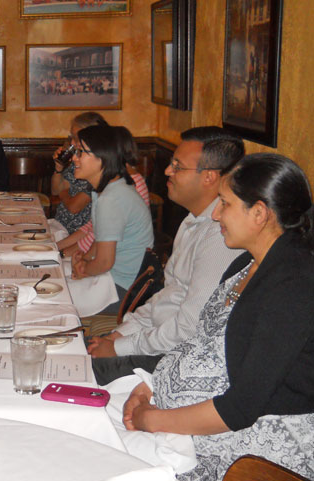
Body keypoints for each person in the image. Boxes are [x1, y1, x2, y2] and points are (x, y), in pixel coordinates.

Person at [122, 153, 314, 481]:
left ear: (259, 213)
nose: (215, 214)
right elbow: (202, 342)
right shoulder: (245, 263)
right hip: (183, 421)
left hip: (255, 455)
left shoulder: (295, 286)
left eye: (224, 203)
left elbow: (240, 409)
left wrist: (152, 419)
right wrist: (150, 385)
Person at [88, 127, 245, 383]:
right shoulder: (193, 220)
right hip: (155, 339)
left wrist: (119, 347)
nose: (167, 171)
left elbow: (190, 328)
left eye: (177, 166)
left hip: (176, 357)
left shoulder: (220, 236)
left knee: (73, 371)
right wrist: (120, 334)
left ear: (209, 177)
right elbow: (166, 296)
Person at [70, 125, 154, 313]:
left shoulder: (111, 199)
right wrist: (84, 259)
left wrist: (83, 269)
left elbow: (104, 262)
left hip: (121, 290)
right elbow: (101, 241)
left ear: (103, 158)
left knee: (54, 300)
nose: (74, 158)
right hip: (114, 280)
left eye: (81, 152)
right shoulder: (111, 189)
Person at [51, 112, 106, 238]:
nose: (72, 143)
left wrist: (64, 192)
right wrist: (59, 168)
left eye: (76, 138)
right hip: (60, 226)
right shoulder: (77, 159)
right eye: (72, 137)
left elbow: (74, 207)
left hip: (77, 234)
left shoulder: (98, 167)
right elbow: (55, 190)